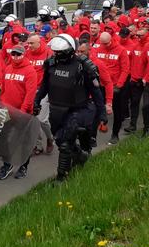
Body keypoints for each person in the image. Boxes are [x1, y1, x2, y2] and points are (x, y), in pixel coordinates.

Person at [33, 34, 106, 181]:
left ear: (70, 50)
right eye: (55, 52)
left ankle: (62, 177)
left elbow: (96, 92)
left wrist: (102, 113)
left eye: (60, 52)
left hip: (77, 110)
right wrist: (37, 101)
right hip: (56, 108)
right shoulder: (51, 64)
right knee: (59, 140)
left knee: (65, 143)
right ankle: (81, 156)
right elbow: (45, 86)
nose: (57, 55)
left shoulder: (83, 66)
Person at [0, 45, 38, 180]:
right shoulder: (8, 68)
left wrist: (23, 111)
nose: (15, 57)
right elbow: (3, 90)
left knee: (22, 141)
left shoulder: (30, 71)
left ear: (23, 55)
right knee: (3, 139)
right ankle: (7, 164)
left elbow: (30, 94)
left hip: (22, 112)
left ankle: (23, 166)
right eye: (13, 54)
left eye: (18, 54)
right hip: (7, 110)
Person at [94, 32, 129, 144]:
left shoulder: (121, 50)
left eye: (107, 43)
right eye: (103, 43)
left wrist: (119, 85)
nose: (105, 45)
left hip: (115, 86)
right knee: (97, 109)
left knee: (117, 112)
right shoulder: (99, 49)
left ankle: (115, 134)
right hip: (101, 85)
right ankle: (94, 134)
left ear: (111, 40)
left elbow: (125, 69)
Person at [25, 34, 55, 155]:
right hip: (29, 90)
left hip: (43, 91)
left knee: (42, 119)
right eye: (28, 43)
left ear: (39, 42)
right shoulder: (27, 53)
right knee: (32, 119)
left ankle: (50, 138)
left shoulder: (49, 53)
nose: (29, 46)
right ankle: (37, 145)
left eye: (31, 43)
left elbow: (52, 72)